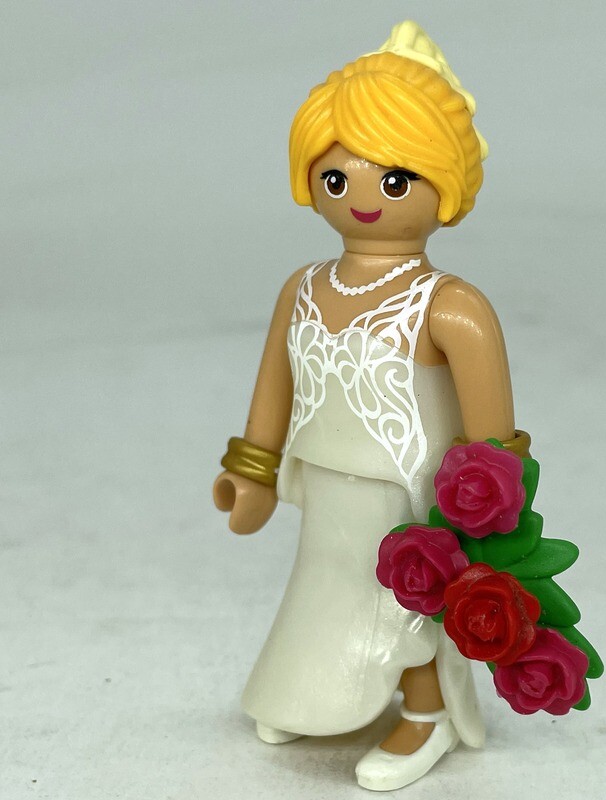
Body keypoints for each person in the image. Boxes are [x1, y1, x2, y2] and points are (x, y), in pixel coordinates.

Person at [213, 20, 528, 791]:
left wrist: (488, 514)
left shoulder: (449, 307)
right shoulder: (304, 288)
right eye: (336, 178)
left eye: (394, 180)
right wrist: (251, 474)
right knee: (323, 587)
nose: (360, 197)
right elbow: (274, 389)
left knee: (404, 599)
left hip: (406, 491)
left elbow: (493, 436)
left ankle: (426, 711)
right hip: (323, 480)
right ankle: (313, 691)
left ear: (443, 185)